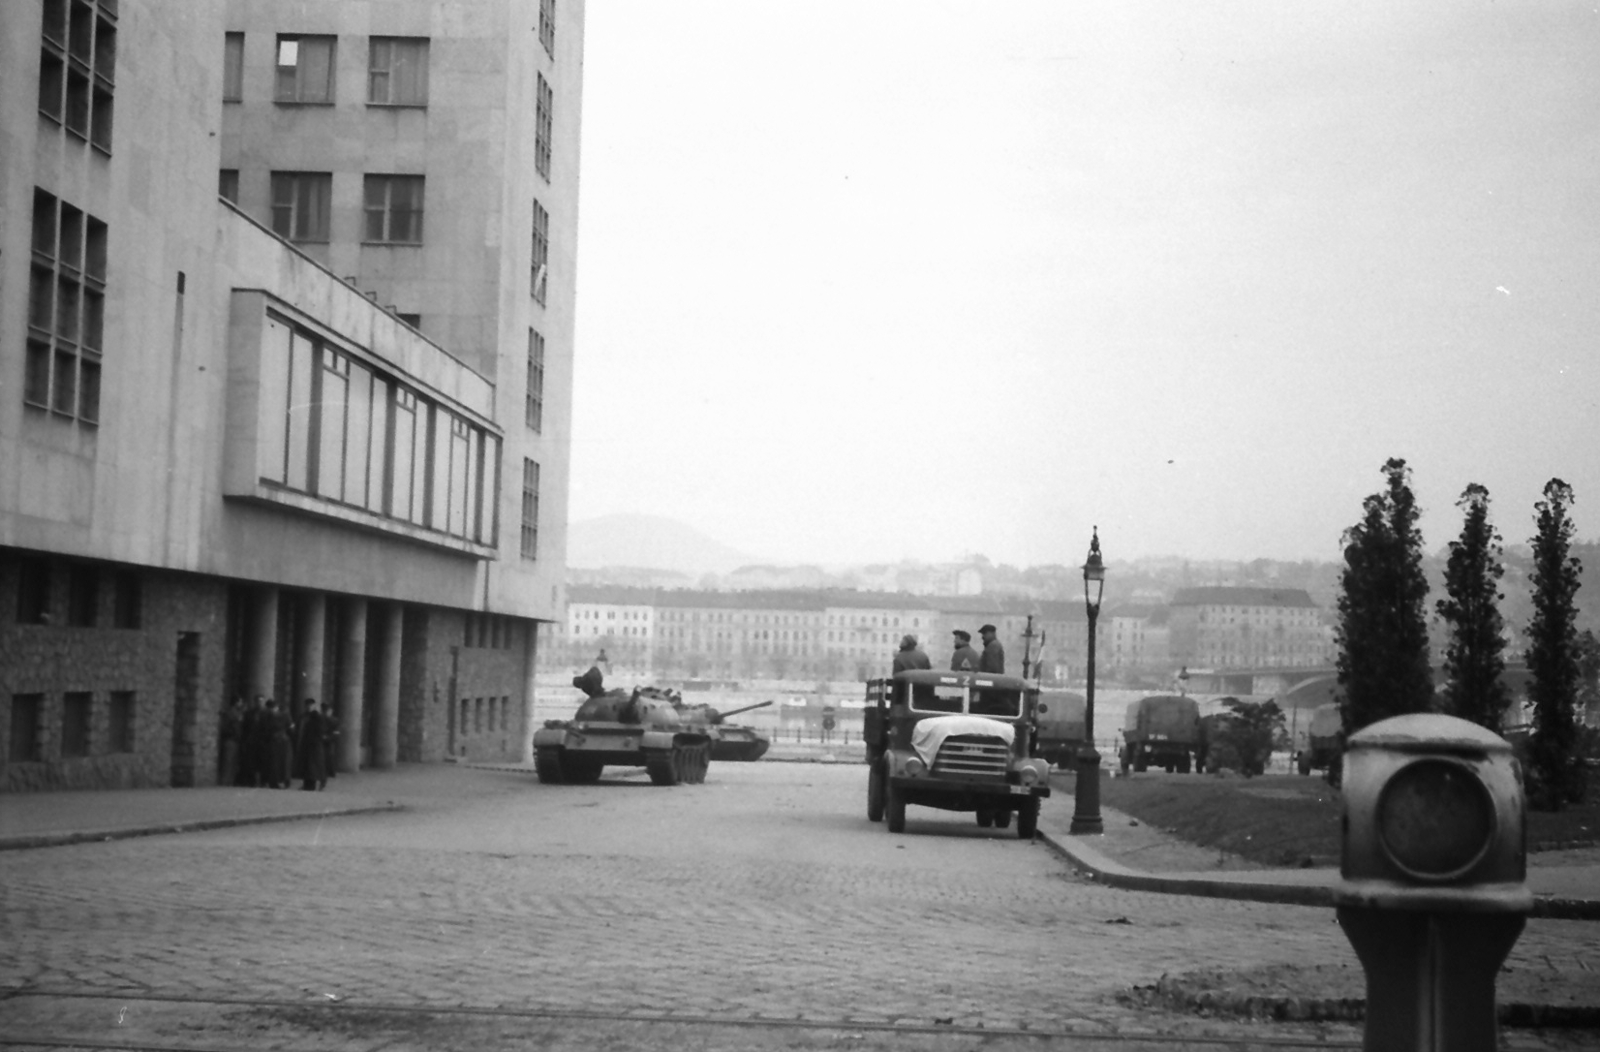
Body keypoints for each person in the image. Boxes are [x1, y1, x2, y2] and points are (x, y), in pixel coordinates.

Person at [296, 699, 327, 791]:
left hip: (314, 744)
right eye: (307, 705)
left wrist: (316, 739)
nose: (308, 707)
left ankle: (315, 783)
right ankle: (307, 784)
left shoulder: (317, 717)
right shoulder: (303, 716)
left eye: (310, 705)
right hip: (306, 743)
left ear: (314, 706)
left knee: (314, 765)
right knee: (307, 765)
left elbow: (321, 730)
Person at [263, 699, 293, 789]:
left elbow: (267, 729)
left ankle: (275, 781)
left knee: (275, 762)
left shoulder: (269, 716)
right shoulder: (286, 715)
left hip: (275, 740)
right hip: (284, 740)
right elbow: (291, 728)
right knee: (284, 762)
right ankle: (284, 781)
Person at [218, 696, 245, 787]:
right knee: (228, 762)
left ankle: (229, 782)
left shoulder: (237, 713)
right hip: (230, 739)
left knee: (233, 763)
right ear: (236, 702)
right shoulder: (231, 713)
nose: (241, 704)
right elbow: (227, 727)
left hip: (235, 740)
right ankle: (224, 782)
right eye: (240, 702)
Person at [321, 700, 340, 780]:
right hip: (321, 741)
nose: (326, 712)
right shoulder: (320, 719)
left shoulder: (334, 721)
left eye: (328, 710)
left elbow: (336, 733)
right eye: (325, 710)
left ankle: (330, 772)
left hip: (329, 741)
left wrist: (328, 738)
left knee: (330, 756)